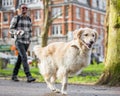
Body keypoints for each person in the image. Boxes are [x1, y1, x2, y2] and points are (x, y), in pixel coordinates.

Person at [9, 4, 36, 82]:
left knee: (20, 59)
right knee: (24, 57)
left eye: (26, 8)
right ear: (19, 9)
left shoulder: (29, 19)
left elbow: (30, 31)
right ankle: (28, 76)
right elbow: (11, 29)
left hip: (27, 42)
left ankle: (14, 75)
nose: (24, 9)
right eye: (23, 8)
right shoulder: (16, 18)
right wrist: (17, 32)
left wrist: (30, 40)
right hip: (19, 41)